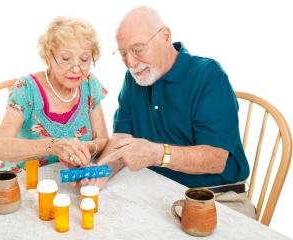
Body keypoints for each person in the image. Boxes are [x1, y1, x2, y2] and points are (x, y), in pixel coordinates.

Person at [97, 6, 256, 218]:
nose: (131, 63)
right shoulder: (133, 78)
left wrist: (156, 154)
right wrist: (97, 172)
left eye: (138, 49)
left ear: (165, 36)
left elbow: (216, 159)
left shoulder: (208, 75)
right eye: (124, 53)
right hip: (158, 191)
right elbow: (121, 138)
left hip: (217, 198)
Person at [0, 16, 108, 174]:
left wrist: (85, 147)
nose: (76, 68)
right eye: (66, 59)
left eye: (84, 59)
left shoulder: (90, 85)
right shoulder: (26, 88)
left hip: (67, 178)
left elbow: (102, 139)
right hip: (26, 180)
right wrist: (53, 146)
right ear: (48, 56)